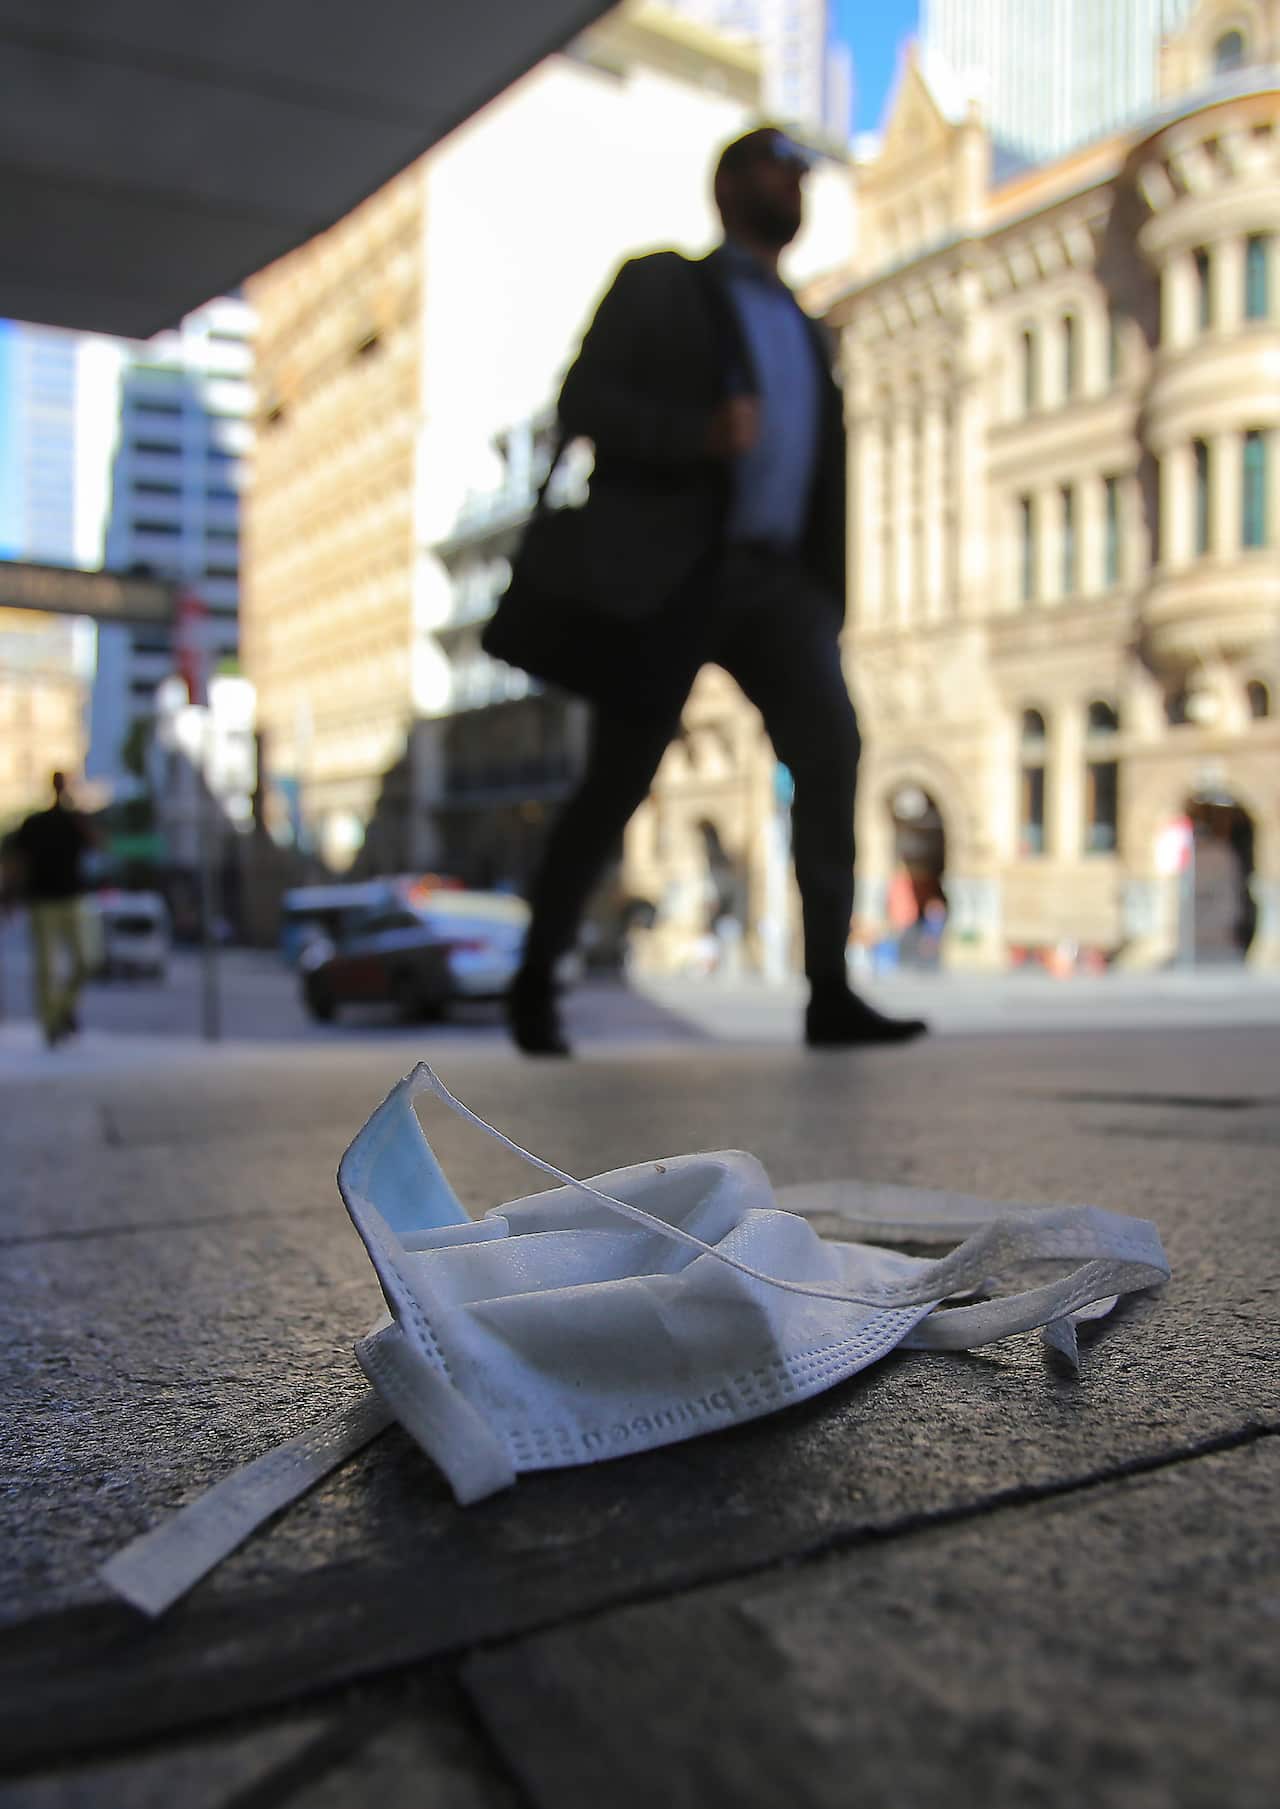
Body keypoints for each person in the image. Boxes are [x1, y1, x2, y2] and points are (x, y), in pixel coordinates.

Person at [504, 125, 927, 1056]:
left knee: (831, 752)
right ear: (731, 185)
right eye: (782, 167)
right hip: (672, 572)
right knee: (620, 776)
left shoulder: (809, 325)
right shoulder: (662, 284)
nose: (799, 185)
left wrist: (829, 597)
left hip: (779, 584)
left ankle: (829, 990)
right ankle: (535, 980)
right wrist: (696, 433)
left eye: (805, 175)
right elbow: (582, 405)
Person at [9, 772, 94, 1046]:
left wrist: (79, 811)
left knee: (86, 958)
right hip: (42, 900)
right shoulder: (35, 823)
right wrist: (11, 894)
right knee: (46, 967)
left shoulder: (75, 820)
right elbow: (19, 861)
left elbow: (98, 843)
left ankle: (62, 1010)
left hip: (72, 898)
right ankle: (51, 1024)